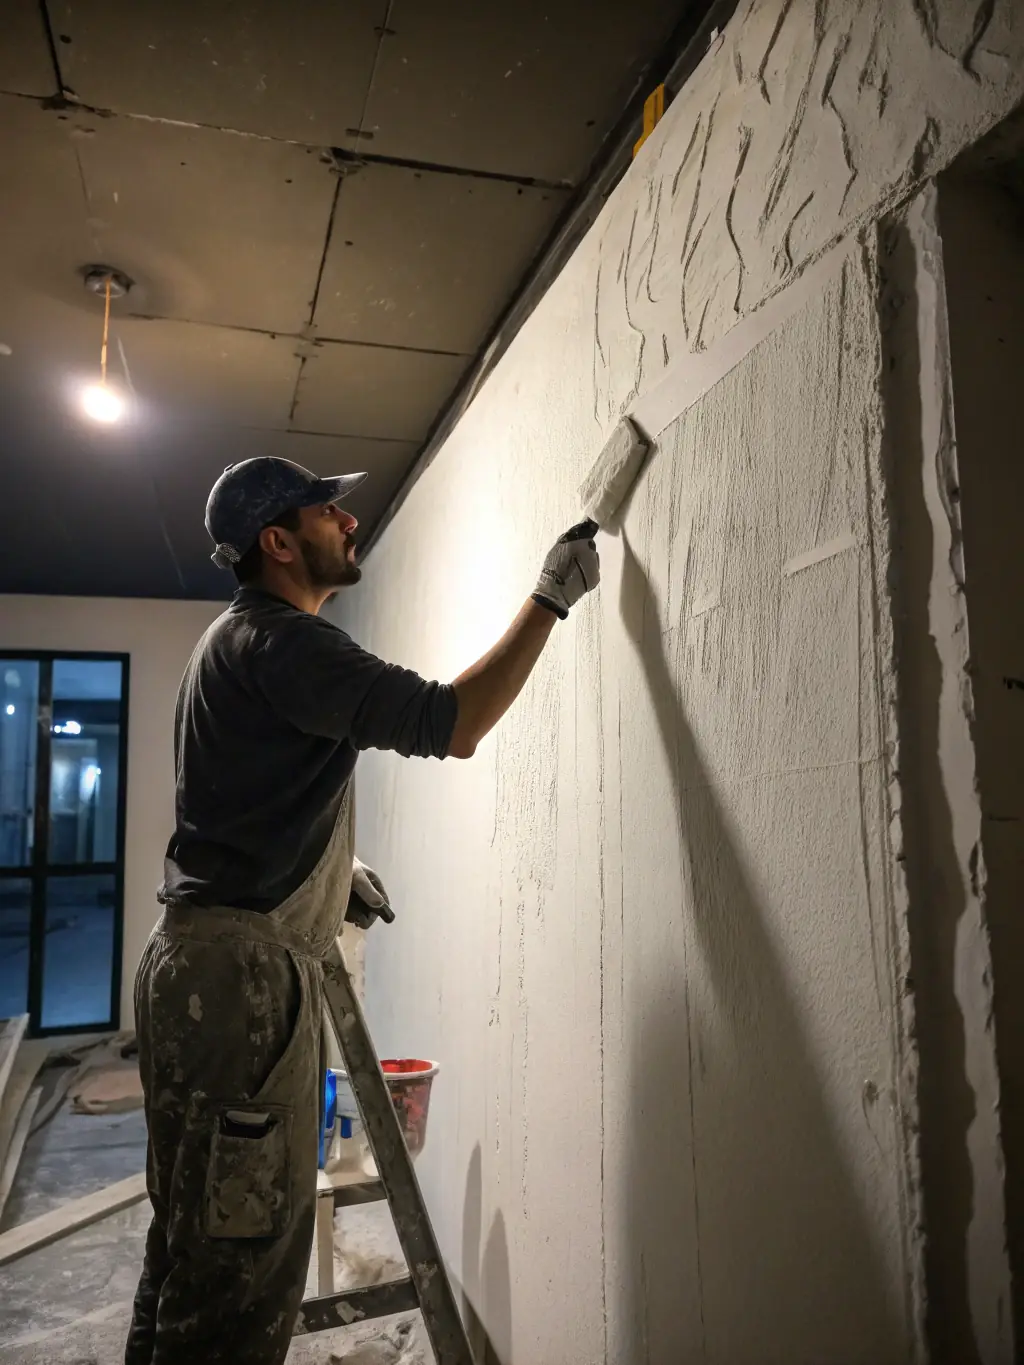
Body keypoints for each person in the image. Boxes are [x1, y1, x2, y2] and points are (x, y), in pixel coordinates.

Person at [125, 456, 599, 1364]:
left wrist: (327, 868)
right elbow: (453, 723)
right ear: (279, 541)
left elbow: (249, 798)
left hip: (196, 963)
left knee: (189, 1246)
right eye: (325, 511)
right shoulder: (286, 643)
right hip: (243, 986)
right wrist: (549, 599)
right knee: (241, 1278)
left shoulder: (231, 642)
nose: (348, 522)